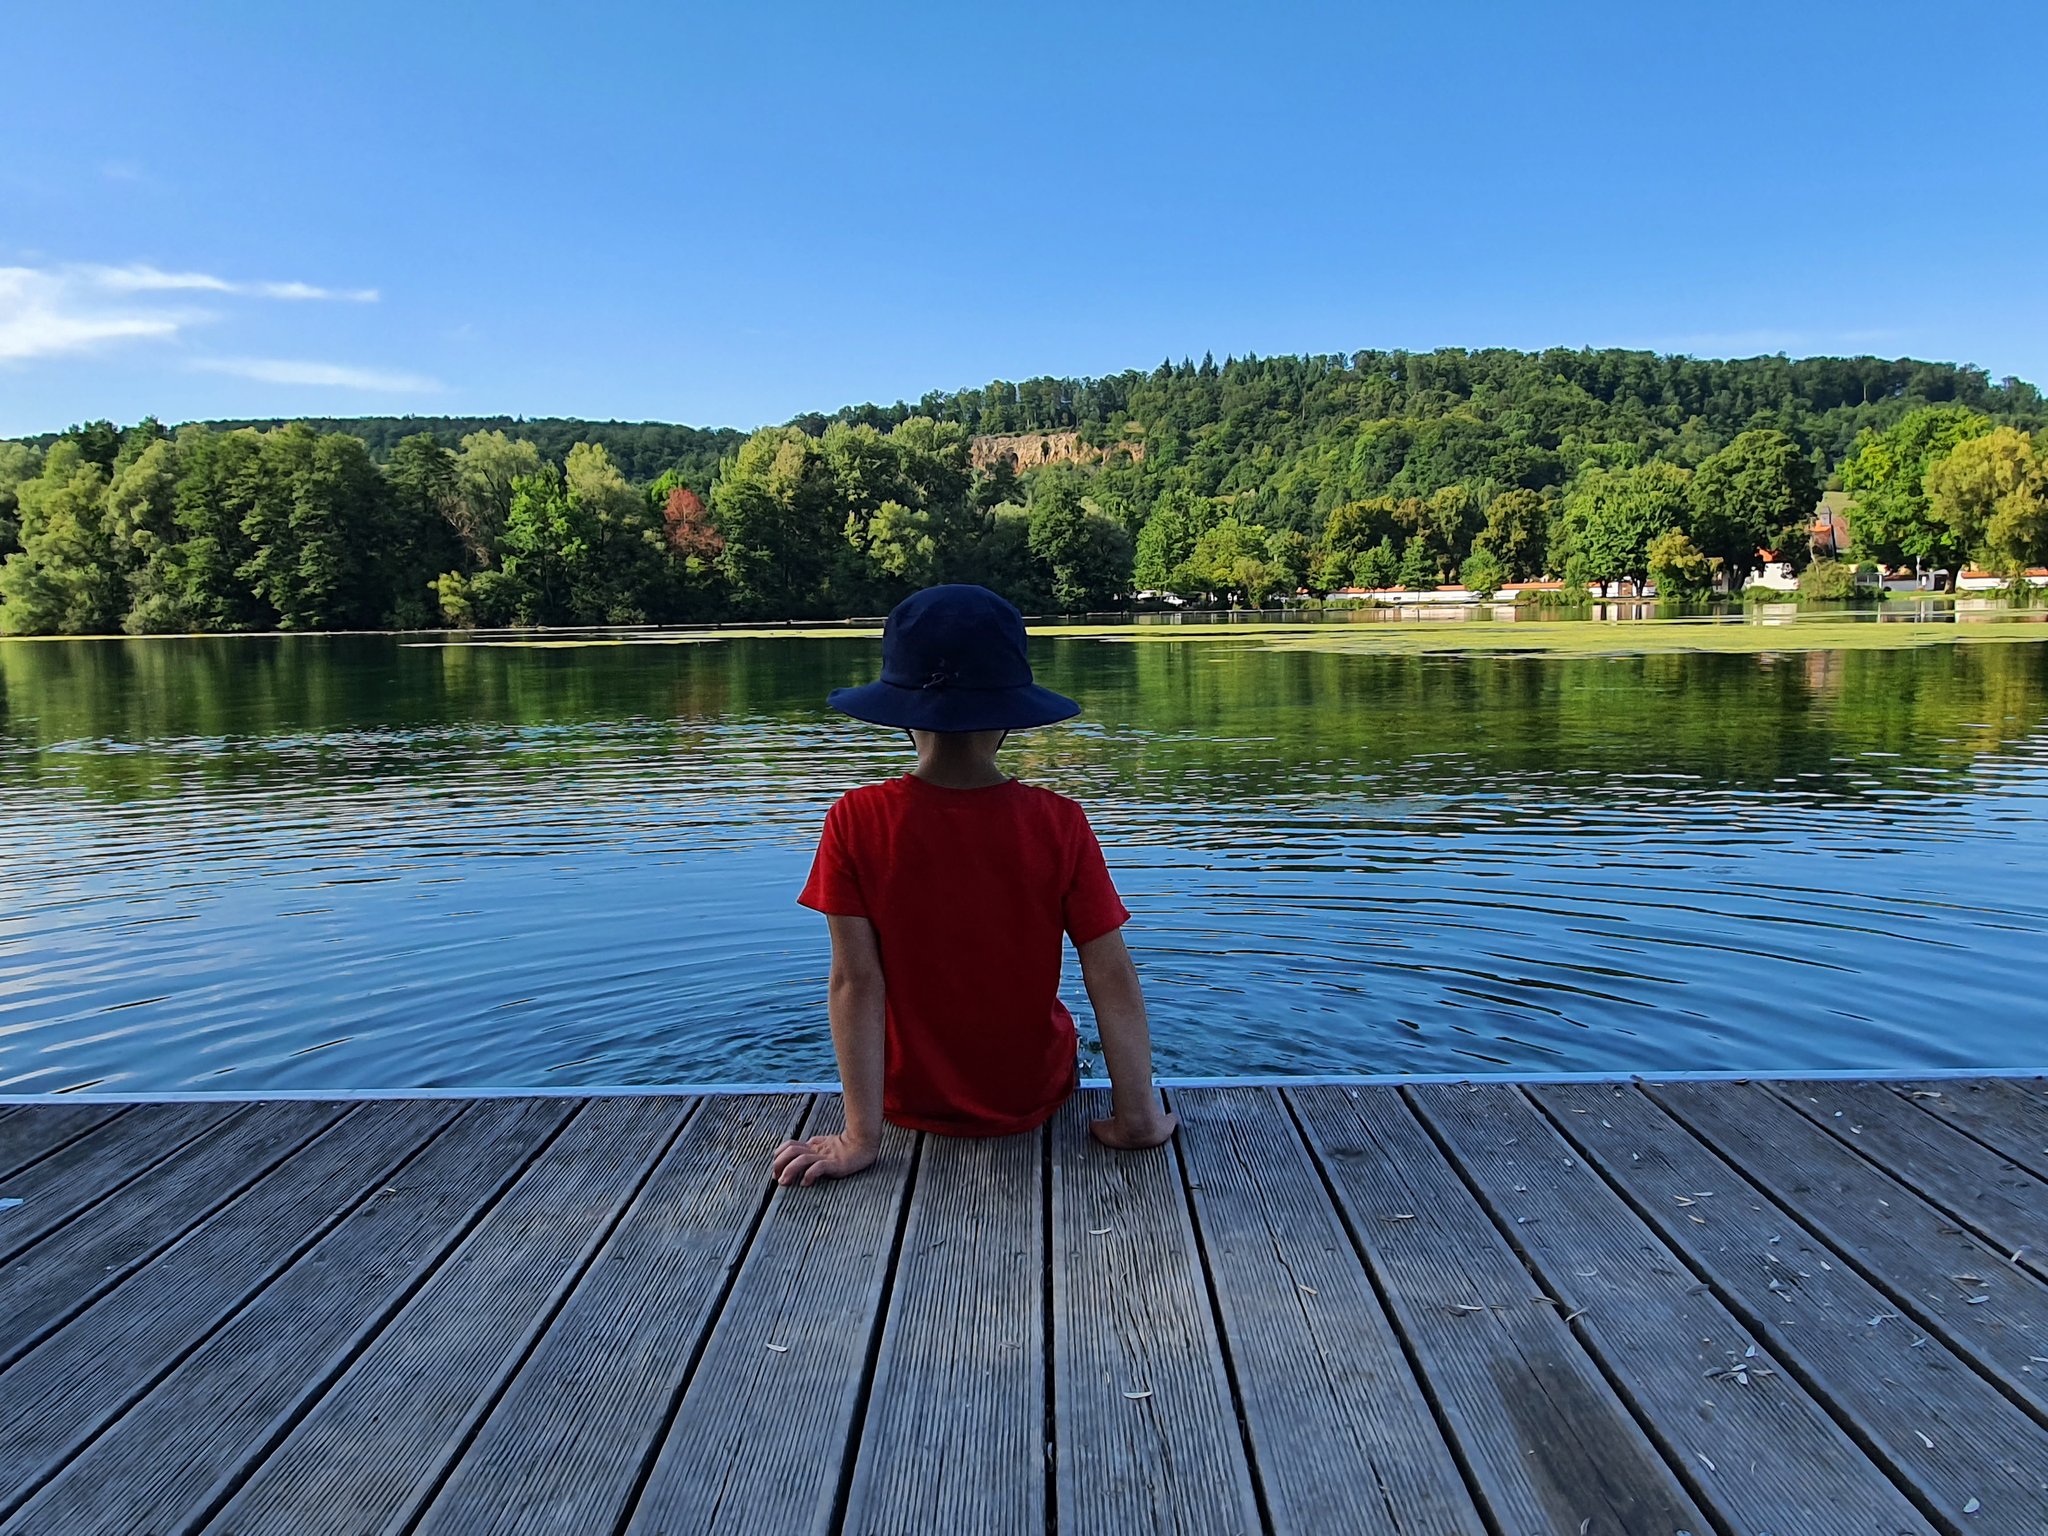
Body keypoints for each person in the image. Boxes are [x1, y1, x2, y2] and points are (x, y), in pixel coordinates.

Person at [772, 584, 1176, 1187]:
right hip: (1034, 1095)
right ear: (1012, 716)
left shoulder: (855, 820)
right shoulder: (1057, 823)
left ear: (898, 713)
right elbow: (1109, 972)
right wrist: (1138, 1117)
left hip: (907, 1101)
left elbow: (855, 981)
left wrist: (860, 1138)